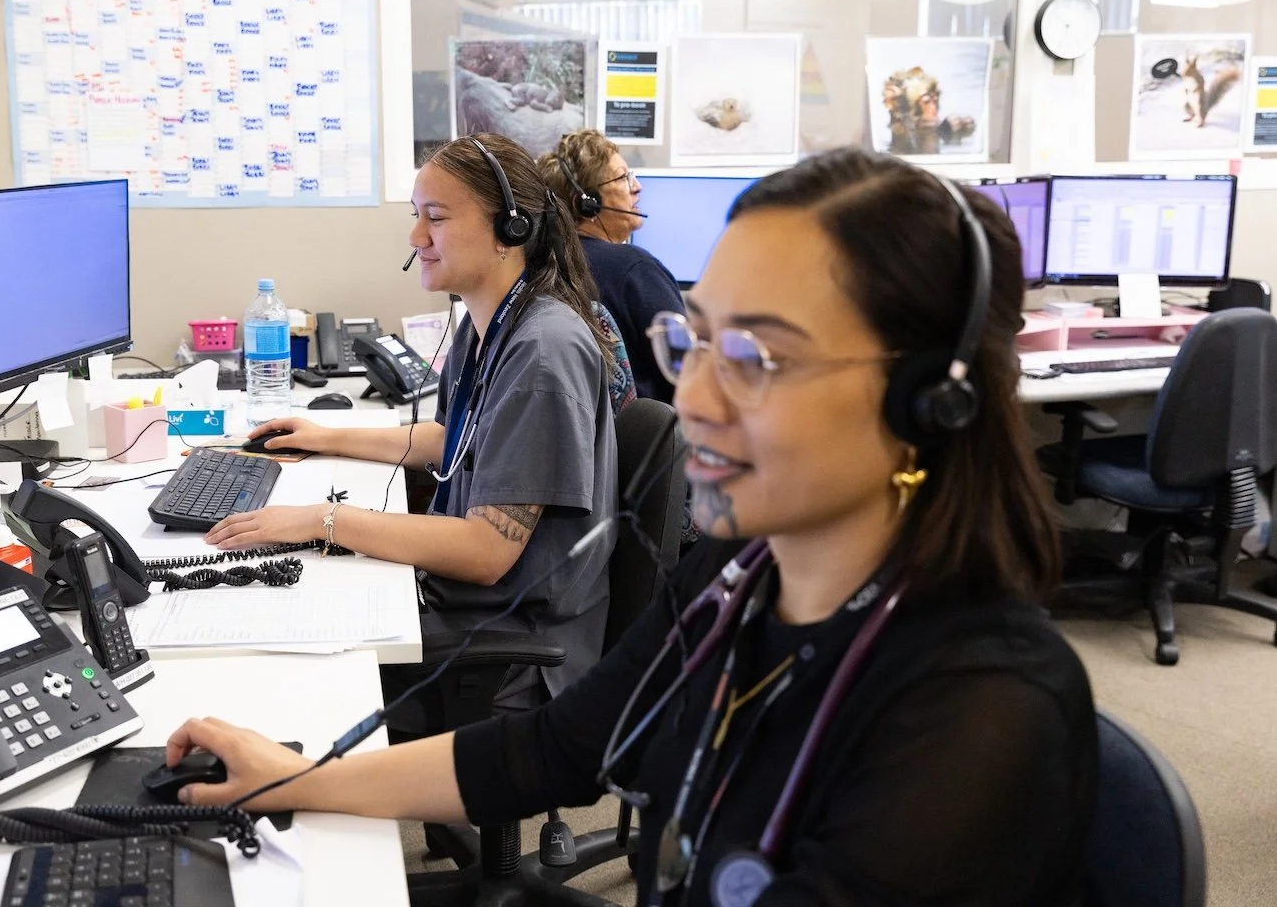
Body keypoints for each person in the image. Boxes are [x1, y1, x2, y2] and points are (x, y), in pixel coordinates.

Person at [170, 148, 1098, 905]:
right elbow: (555, 749)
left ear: (927, 400)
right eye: (692, 344)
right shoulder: (740, 579)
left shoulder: (983, 709)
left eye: (758, 358)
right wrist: (294, 780)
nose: (693, 397)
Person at [207, 133, 618, 722]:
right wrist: (324, 435)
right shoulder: (491, 323)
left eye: (437, 219)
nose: (415, 238)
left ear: (511, 228)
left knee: (284, 666)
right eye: (415, 217)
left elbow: (486, 551)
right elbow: (453, 440)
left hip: (512, 650)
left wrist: (321, 520)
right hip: (469, 604)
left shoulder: (542, 353)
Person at [540, 129, 684, 403]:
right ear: (587, 203)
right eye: (623, 177)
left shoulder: (540, 266)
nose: (637, 186)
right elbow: (687, 371)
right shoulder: (634, 269)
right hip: (645, 441)